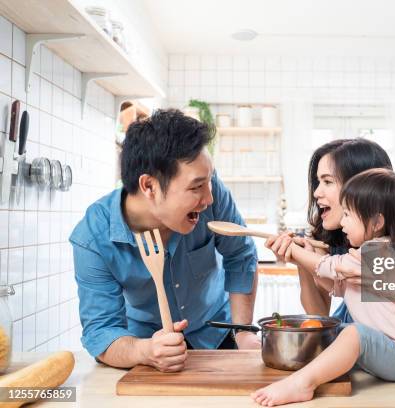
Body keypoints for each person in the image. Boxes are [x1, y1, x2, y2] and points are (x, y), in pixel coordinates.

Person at [69, 109, 260, 373]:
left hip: (218, 332)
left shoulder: (210, 194)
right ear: (149, 186)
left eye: (209, 182)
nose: (209, 198)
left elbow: (240, 254)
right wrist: (144, 351)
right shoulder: (93, 238)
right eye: (196, 187)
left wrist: (243, 331)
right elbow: (102, 332)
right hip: (146, 344)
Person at [252, 169, 395, 406]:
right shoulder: (369, 253)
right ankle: (308, 374)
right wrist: (304, 256)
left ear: (377, 222)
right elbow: (337, 283)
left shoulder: (378, 252)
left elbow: (327, 266)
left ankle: (303, 384)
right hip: (390, 351)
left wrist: (294, 251)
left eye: (348, 214)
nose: (342, 221)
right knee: (329, 334)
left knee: (353, 334)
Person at [266, 139, 395, 352]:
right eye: (317, 182)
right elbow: (320, 317)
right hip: (364, 352)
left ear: (364, 189)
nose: (316, 193)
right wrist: (302, 260)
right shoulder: (330, 234)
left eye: (328, 182)